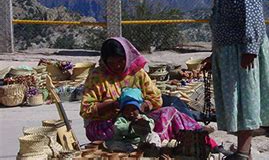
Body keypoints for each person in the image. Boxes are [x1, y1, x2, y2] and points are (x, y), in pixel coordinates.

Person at [200, 0, 269, 160]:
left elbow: (253, 20)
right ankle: (241, 148)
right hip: (229, 55)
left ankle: (243, 152)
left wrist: (250, 51)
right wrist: (214, 56)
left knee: (245, 100)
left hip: (242, 54)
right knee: (235, 101)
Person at [80, 37, 219, 151]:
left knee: (171, 112)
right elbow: (86, 110)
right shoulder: (97, 77)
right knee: (133, 132)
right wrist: (113, 105)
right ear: (105, 61)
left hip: (138, 120)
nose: (116, 66)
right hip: (107, 125)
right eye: (111, 62)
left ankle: (205, 141)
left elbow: (156, 98)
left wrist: (141, 107)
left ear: (127, 58)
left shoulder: (137, 73)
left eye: (120, 61)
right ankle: (148, 145)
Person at [105, 88, 161, 153]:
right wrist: (131, 126)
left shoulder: (141, 117)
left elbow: (151, 123)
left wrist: (144, 124)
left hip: (141, 141)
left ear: (139, 110)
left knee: (154, 136)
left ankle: (152, 148)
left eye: (133, 109)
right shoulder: (121, 119)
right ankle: (134, 151)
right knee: (113, 144)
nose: (130, 112)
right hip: (127, 142)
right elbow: (118, 127)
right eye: (127, 109)